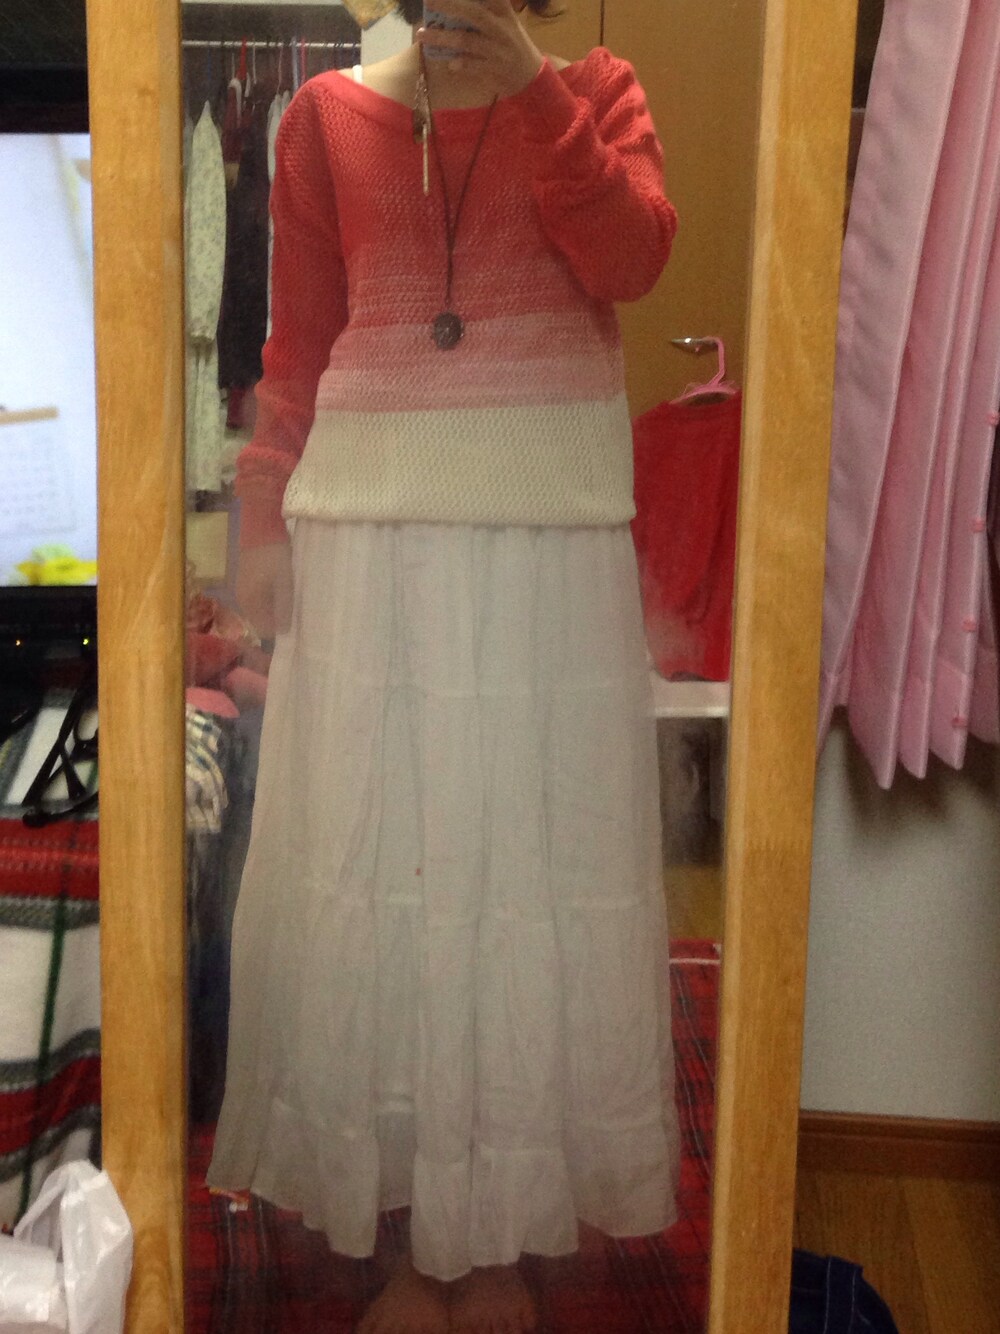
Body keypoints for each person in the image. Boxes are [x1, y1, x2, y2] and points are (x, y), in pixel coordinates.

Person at [206, 2, 681, 1331]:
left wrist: (536, 93)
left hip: (546, 552)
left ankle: (504, 1235)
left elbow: (634, 257)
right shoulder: (322, 121)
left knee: (523, 874)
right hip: (372, 545)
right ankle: (419, 1239)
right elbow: (298, 342)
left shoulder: (599, 90)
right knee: (389, 875)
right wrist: (260, 520)